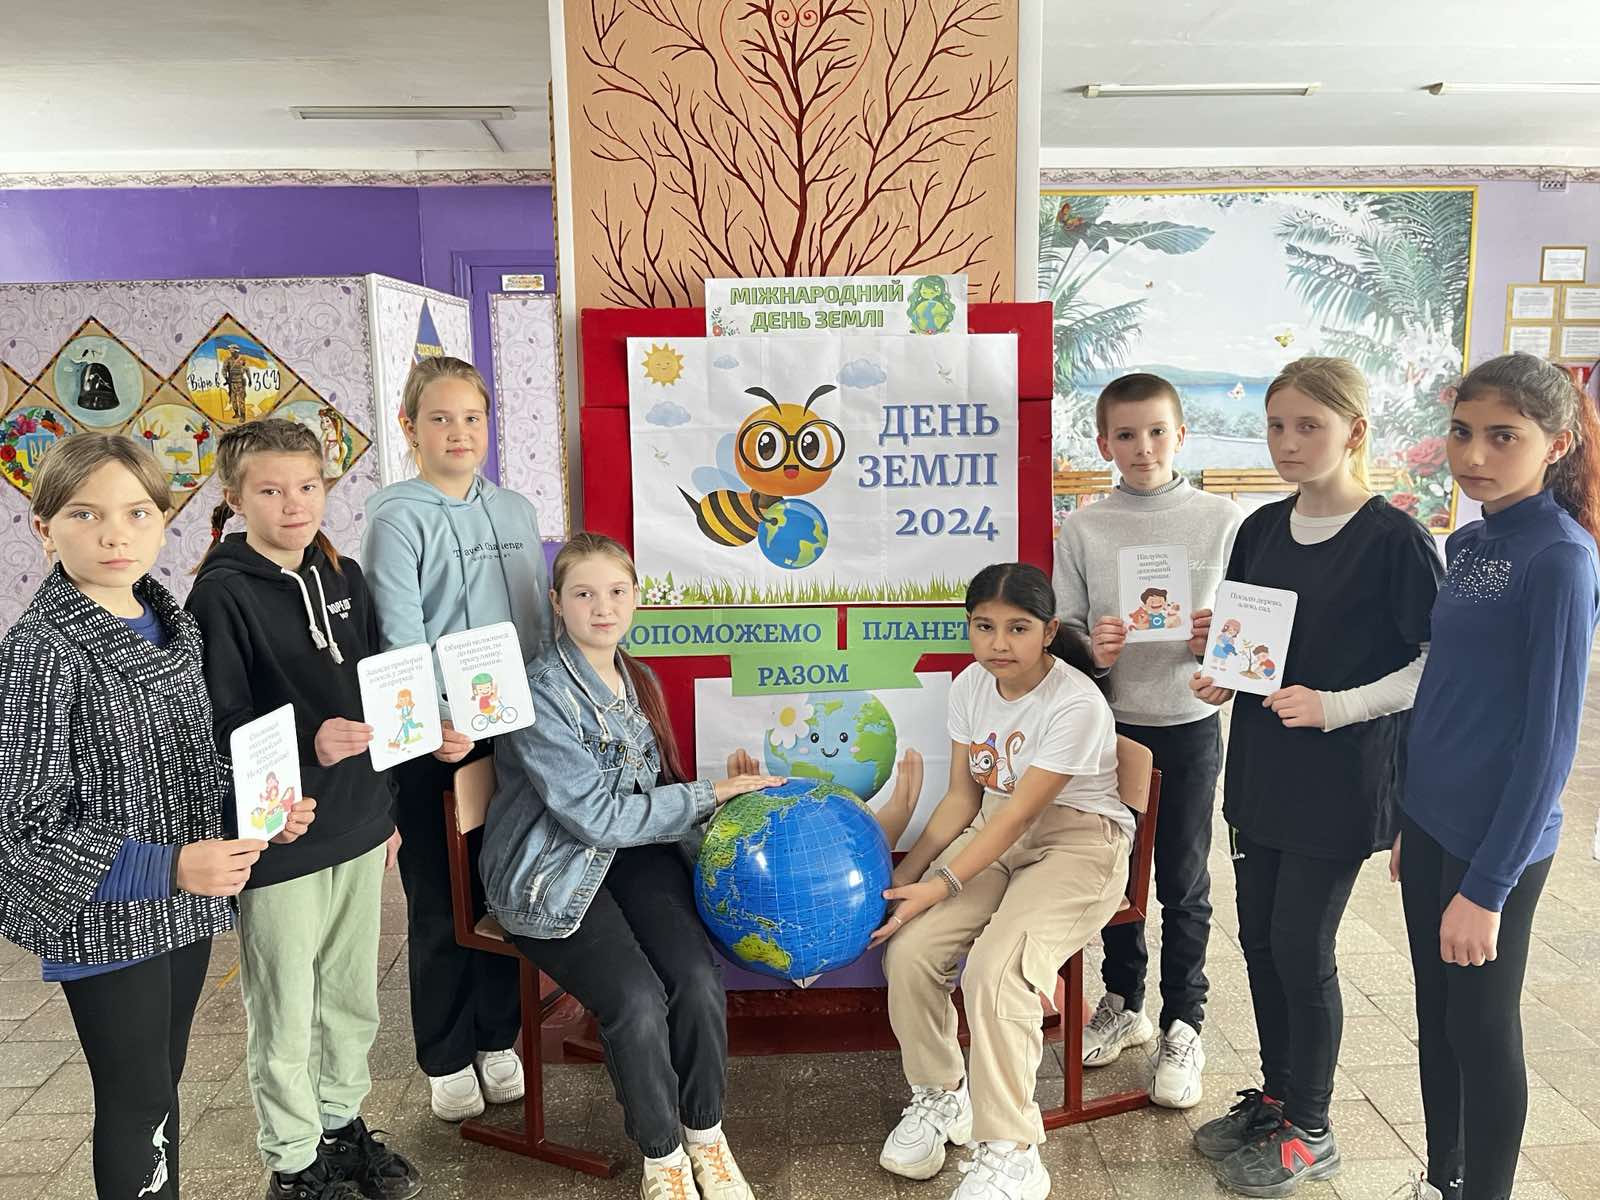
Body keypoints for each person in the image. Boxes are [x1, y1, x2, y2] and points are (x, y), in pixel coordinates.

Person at [1186, 358, 1443, 1195]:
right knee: (1260, 943)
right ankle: (1277, 1096)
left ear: (1354, 432)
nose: (1288, 442)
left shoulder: (1396, 540)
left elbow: (1432, 666)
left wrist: (1338, 706)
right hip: (1260, 771)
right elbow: (1250, 648)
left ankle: (1314, 1128)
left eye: (1309, 426)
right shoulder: (1260, 529)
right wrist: (1219, 667)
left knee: (1301, 946)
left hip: (1341, 779)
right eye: (1276, 425)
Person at [0, 433, 269, 1198]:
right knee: (136, 1099)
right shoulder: (41, 650)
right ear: (44, 527)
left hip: (181, 907)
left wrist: (259, 803)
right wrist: (172, 864)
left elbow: (189, 759)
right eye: (85, 514)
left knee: (163, 1085)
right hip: (106, 913)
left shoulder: (171, 624)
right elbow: (23, 828)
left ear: (163, 520)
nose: (114, 533)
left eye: (137, 512)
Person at [480, 531, 783, 1200]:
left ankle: (705, 1135)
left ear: (637, 598)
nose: (603, 607)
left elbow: (647, 797)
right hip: (551, 874)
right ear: (556, 603)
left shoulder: (635, 676)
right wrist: (709, 794)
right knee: (637, 999)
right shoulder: (538, 692)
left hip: (632, 855)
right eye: (584, 594)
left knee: (697, 981)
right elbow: (595, 818)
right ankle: (662, 1157)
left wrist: (720, 806)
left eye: (617, 592)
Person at [187, 419, 421, 1200]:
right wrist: (303, 747)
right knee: (286, 1002)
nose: (294, 504)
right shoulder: (219, 596)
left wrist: (388, 808)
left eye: (308, 486)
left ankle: (340, 1125)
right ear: (234, 498)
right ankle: (293, 1161)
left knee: (351, 995)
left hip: (359, 825)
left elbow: (380, 691)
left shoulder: (345, 575)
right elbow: (217, 723)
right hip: (281, 835)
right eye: (270, 490)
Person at [1395, 354, 1600, 1200]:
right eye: (1462, 432)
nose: (1474, 455)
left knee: (1481, 1028)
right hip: (1432, 821)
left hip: (1498, 841)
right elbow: (1447, 689)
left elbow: (1551, 741)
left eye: (1503, 437)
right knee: (1436, 1017)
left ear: (1557, 444)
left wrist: (1487, 887)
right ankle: (1442, 1179)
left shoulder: (1561, 559)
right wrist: (1410, 816)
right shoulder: (1470, 539)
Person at [875, 562, 1133, 1200]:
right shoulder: (970, 685)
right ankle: (942, 1095)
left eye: (1018, 628)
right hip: (994, 835)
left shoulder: (1076, 702)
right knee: (909, 950)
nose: (998, 643)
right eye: (984, 626)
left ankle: (1013, 1151)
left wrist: (940, 884)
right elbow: (964, 801)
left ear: (1049, 631)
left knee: (997, 971)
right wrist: (904, 878)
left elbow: (1020, 813)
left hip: (1078, 845)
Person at [362, 355, 554, 1120]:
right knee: (442, 899)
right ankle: (445, 1055)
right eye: (440, 418)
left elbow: (535, 624)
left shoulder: (514, 511)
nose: (459, 433)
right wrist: (437, 716)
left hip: (516, 737)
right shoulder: (394, 516)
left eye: (472, 418)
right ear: (410, 427)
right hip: (438, 741)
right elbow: (399, 634)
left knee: (504, 887)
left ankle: (497, 1037)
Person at [1052, 372, 1242, 1109]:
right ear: (1104, 444)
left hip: (1189, 725)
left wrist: (1216, 642)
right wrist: (1093, 651)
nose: (1143, 447)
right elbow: (1064, 632)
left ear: (1181, 435)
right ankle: (1123, 1002)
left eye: (1158, 431)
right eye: (1126, 435)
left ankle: (1183, 1022)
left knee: (1184, 881)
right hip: (1112, 730)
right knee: (1115, 874)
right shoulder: (1085, 527)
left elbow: (1252, 635)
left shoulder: (1223, 520)